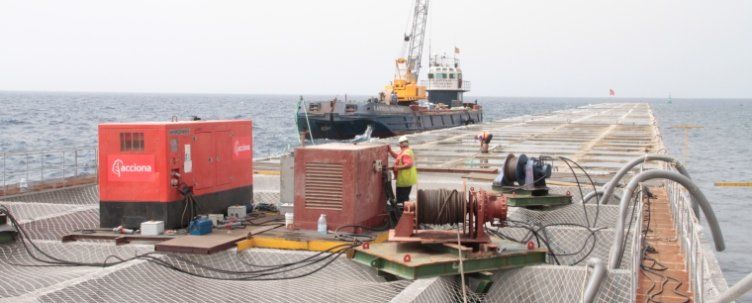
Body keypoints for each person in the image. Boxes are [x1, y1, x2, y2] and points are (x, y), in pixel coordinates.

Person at [388, 136, 418, 205]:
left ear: (400, 144)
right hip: (407, 180)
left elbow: (408, 165)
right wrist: (390, 151)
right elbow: (397, 156)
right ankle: (405, 212)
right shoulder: (407, 151)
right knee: (404, 199)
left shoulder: (405, 153)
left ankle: (403, 214)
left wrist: (397, 168)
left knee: (401, 201)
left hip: (404, 181)